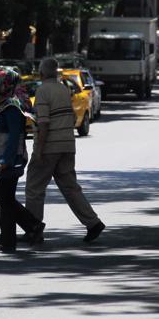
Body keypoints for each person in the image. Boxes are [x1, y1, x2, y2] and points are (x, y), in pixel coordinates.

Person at [23, 57, 105, 243]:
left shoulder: (43, 91)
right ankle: (93, 222)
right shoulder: (63, 88)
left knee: (34, 189)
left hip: (50, 146)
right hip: (68, 144)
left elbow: (43, 123)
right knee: (70, 188)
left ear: (42, 73)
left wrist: (39, 151)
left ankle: (34, 229)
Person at [0, 69, 45, 253]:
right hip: (3, 160)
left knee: (4, 198)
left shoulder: (13, 107)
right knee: (4, 198)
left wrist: (6, 160)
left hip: (11, 161)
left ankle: (9, 239)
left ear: (4, 85)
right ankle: (30, 227)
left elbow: (14, 137)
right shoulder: (5, 104)